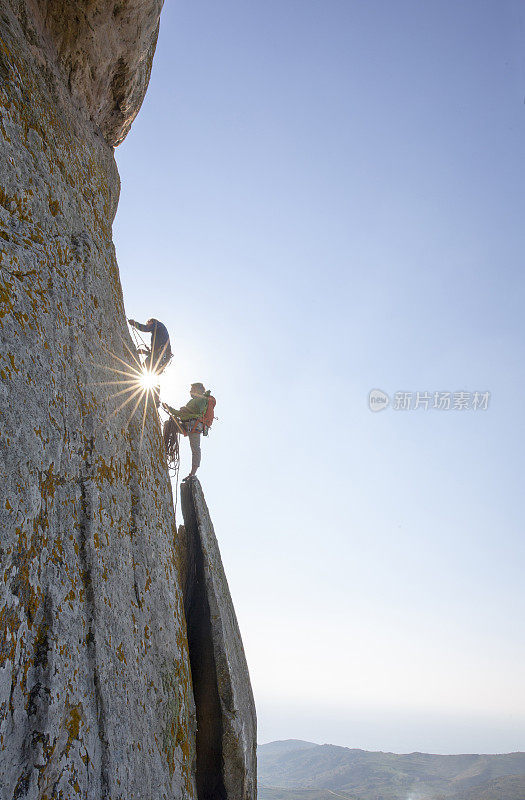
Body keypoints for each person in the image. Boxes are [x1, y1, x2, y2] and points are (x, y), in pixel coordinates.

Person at [162, 383, 210, 480]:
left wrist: (185, 410)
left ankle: (192, 474)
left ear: (198, 389)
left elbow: (196, 410)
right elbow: (181, 414)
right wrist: (169, 408)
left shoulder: (203, 399)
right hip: (187, 425)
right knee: (169, 424)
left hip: (195, 427)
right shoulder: (194, 400)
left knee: (195, 449)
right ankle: (164, 447)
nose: (191, 391)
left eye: (192, 389)